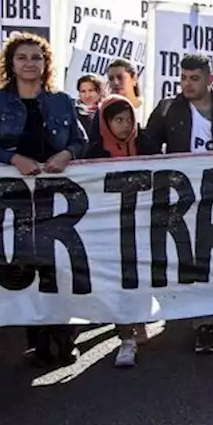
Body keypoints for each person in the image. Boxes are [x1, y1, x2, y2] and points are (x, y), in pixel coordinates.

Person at [0, 33, 87, 367]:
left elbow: (81, 141)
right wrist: (14, 160)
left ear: (45, 63)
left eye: (36, 57)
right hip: (14, 199)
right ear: (10, 62)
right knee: (26, 267)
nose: (29, 63)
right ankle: (36, 340)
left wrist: (67, 153)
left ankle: (63, 337)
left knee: (60, 268)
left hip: (58, 200)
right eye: (22, 57)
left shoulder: (62, 101)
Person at [140, 53, 213, 353]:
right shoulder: (167, 109)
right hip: (185, 198)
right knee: (193, 256)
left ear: (210, 79)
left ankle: (212, 311)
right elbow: (147, 146)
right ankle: (202, 321)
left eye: (194, 78)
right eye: (183, 78)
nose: (187, 84)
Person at [85, 94, 152, 367]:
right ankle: (125, 337)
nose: (125, 126)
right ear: (105, 124)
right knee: (117, 282)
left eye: (128, 119)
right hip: (110, 230)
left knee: (142, 277)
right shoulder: (94, 154)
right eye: (118, 120)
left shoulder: (145, 145)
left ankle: (140, 321)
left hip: (142, 226)